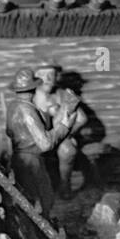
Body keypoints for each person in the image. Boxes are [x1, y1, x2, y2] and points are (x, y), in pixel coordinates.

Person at [3, 67, 58, 218]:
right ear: (33, 89)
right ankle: (44, 233)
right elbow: (45, 144)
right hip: (32, 160)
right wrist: (62, 128)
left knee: (28, 197)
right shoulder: (28, 110)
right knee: (43, 198)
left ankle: (38, 230)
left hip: (18, 158)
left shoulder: (12, 106)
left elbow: (9, 132)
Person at [30, 63, 87, 197]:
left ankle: (64, 186)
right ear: (36, 78)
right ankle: (39, 191)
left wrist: (67, 133)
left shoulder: (62, 94)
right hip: (37, 138)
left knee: (68, 149)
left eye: (51, 75)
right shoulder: (30, 97)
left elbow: (82, 118)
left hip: (58, 137)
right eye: (43, 75)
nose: (48, 79)